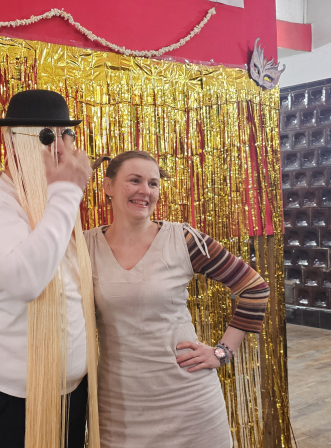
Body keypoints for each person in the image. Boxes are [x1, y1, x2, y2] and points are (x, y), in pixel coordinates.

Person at [85, 151, 271, 448]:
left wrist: (222, 352)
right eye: (134, 180)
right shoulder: (85, 246)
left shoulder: (183, 239)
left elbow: (255, 289)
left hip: (190, 401)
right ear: (108, 186)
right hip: (119, 408)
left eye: (153, 183)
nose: (145, 191)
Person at [0, 89, 96, 448]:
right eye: (46, 136)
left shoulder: (54, 205)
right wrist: (67, 193)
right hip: (3, 401)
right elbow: (27, 280)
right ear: (13, 143)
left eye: (66, 134)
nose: (59, 148)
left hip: (68, 396)